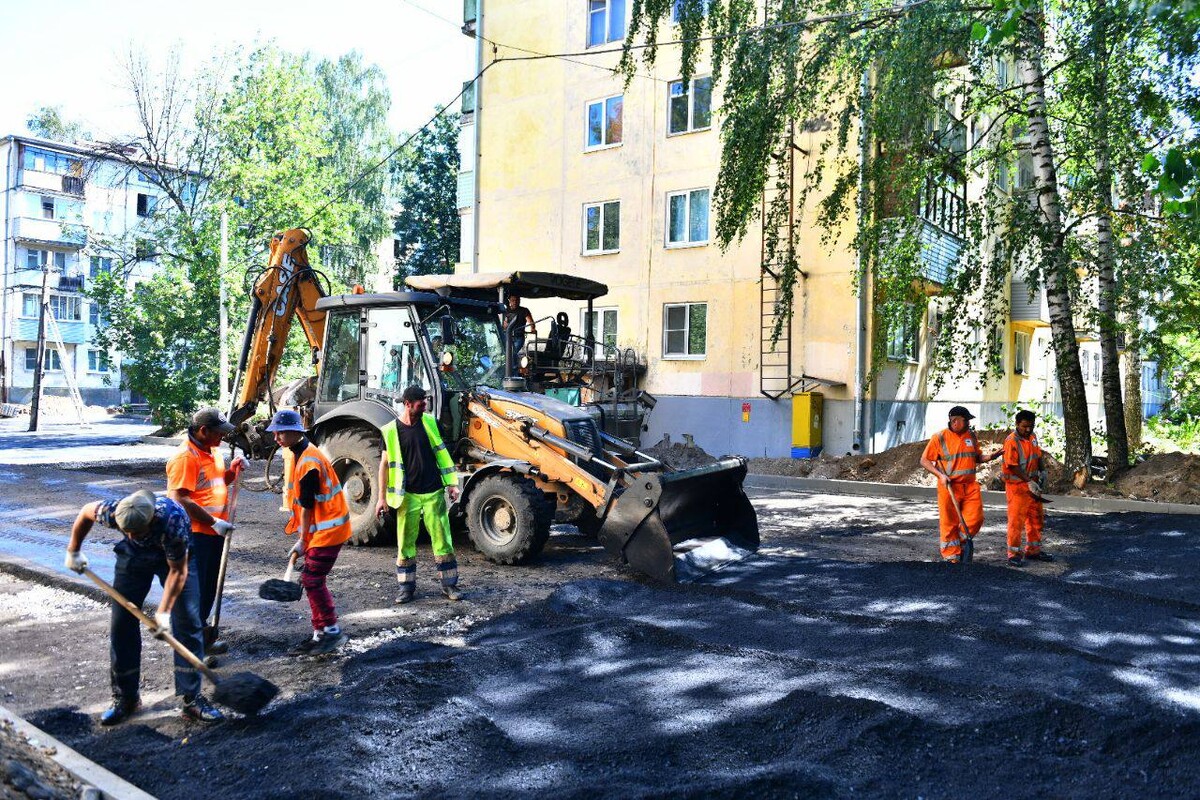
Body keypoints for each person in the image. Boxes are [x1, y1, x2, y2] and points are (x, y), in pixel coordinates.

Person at [63, 490, 223, 725]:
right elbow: (86, 512)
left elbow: (178, 572)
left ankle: (191, 699)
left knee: (187, 622)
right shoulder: (114, 511)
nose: (130, 534)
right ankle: (125, 698)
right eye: (126, 531)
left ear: (149, 522)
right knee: (121, 623)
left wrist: (164, 612)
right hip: (133, 557)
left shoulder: (172, 521)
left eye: (136, 532)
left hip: (176, 559)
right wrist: (73, 550)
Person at [267, 409, 352, 656]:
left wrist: (303, 541)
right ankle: (319, 635)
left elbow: (306, 506)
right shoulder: (300, 453)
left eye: (280, 433)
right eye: (275, 433)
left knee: (312, 580)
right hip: (324, 530)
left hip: (329, 531)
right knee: (311, 580)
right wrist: (304, 538)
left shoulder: (309, 462)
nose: (276, 438)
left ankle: (332, 632)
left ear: (295, 432)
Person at [165, 407, 246, 657]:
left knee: (209, 588)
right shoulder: (185, 458)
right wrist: (212, 521)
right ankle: (191, 650)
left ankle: (202, 640)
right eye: (218, 433)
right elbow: (179, 498)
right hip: (195, 535)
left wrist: (233, 470)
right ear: (203, 431)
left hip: (213, 533)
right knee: (195, 593)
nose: (222, 437)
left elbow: (218, 482)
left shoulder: (211, 451)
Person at [375, 385, 462, 603]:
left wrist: (452, 484)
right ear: (407, 404)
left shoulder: (430, 422)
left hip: (433, 491)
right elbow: (384, 466)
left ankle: (449, 586)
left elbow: (442, 455)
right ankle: (406, 588)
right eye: (420, 404)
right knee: (405, 542)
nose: (424, 407)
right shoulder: (389, 431)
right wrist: (381, 498)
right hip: (407, 496)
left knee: (443, 540)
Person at [919, 406, 1003, 563]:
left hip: (970, 486)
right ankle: (951, 555)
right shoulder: (939, 438)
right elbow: (924, 461)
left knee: (976, 519)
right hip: (950, 487)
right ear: (955, 421)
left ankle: (960, 542)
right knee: (949, 522)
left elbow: (977, 457)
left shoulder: (970, 435)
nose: (969, 424)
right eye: (967, 420)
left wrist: (991, 456)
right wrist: (940, 475)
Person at [1002, 410, 1053, 566]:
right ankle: (1013, 554)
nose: (1028, 430)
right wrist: (1029, 481)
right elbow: (1012, 466)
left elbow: (1037, 456)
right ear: (1017, 424)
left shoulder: (1032, 437)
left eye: (1031, 426)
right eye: (1025, 426)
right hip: (1017, 487)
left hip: (1033, 486)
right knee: (1016, 522)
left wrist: (1043, 471)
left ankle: (1033, 550)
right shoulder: (1011, 441)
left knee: (1036, 518)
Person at [503, 293, 536, 362]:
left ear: (519, 301)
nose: (515, 302)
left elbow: (530, 322)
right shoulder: (506, 311)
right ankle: (512, 367)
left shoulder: (524, 310)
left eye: (517, 300)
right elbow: (504, 324)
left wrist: (532, 328)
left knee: (512, 353)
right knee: (506, 353)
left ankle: (514, 368)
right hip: (508, 336)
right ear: (510, 301)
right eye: (513, 300)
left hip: (519, 337)